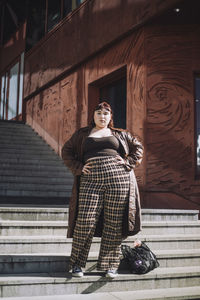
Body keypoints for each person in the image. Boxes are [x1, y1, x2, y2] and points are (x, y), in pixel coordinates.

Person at [61, 101, 143, 278]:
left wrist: (128, 163)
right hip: (90, 179)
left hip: (118, 179)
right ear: (93, 115)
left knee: (113, 224)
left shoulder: (119, 134)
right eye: (99, 113)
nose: (102, 116)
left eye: (106, 113)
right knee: (85, 221)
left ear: (110, 117)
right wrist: (78, 167)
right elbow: (66, 151)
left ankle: (110, 265)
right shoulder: (83, 134)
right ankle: (77, 264)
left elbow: (138, 148)